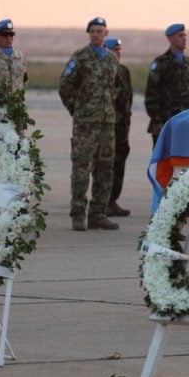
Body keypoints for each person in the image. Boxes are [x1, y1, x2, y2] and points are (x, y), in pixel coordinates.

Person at [58, 17, 119, 231]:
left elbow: (114, 89)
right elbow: (65, 86)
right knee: (82, 168)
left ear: (106, 33)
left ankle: (98, 213)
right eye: (92, 31)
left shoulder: (112, 59)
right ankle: (78, 214)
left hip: (106, 123)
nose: (95, 34)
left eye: (99, 31)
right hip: (85, 123)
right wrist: (77, 109)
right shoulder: (81, 57)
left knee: (105, 169)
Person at [144, 23, 189, 146]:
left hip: (185, 122)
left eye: (185, 35)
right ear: (170, 39)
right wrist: (157, 121)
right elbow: (151, 94)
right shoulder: (161, 63)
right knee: (164, 162)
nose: (184, 38)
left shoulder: (188, 63)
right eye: (180, 36)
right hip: (165, 122)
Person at [104, 37, 132, 218]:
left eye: (119, 49)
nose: (117, 53)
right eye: (114, 49)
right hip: (106, 127)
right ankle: (102, 202)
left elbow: (128, 100)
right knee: (105, 165)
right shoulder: (103, 71)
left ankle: (113, 200)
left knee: (119, 164)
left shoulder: (124, 71)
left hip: (122, 127)